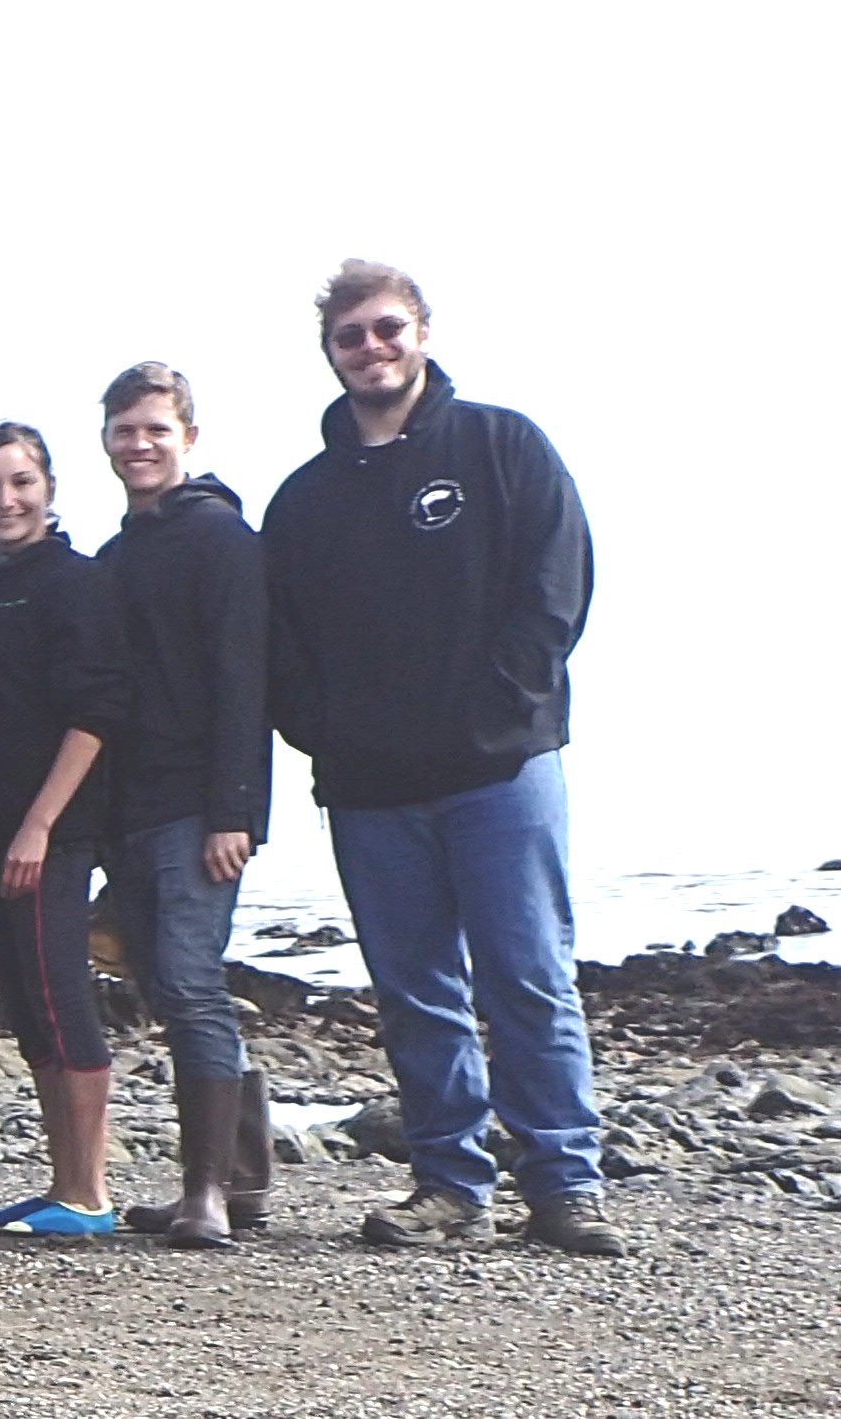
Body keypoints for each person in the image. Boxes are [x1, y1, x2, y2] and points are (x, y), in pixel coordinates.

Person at [264, 261, 615, 1257]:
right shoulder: (302, 501)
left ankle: (563, 1184)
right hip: (372, 791)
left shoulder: (502, 445)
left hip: (501, 773)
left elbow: (556, 583)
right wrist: (323, 729)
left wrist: (503, 704)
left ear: (419, 329)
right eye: (350, 336)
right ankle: (451, 1186)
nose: (371, 348)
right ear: (329, 353)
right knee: (415, 990)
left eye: (386, 328)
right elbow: (279, 646)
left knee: (529, 977)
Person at [94, 363, 280, 1246]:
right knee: (166, 983)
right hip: (128, 806)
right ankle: (237, 1177)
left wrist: (235, 811)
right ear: (106, 442)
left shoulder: (222, 541)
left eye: (155, 430)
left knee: (192, 981)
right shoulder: (116, 556)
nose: (140, 444)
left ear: (188, 439)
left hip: (200, 806)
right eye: (125, 430)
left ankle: (208, 1194)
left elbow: (245, 680)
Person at [0, 424, 133, 1240]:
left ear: (48, 488)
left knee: (59, 994)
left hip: (51, 832)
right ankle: (58, 1182)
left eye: (19, 482)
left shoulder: (75, 583)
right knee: (22, 1003)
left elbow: (96, 713)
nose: (4, 500)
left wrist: (39, 826)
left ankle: (88, 1191)